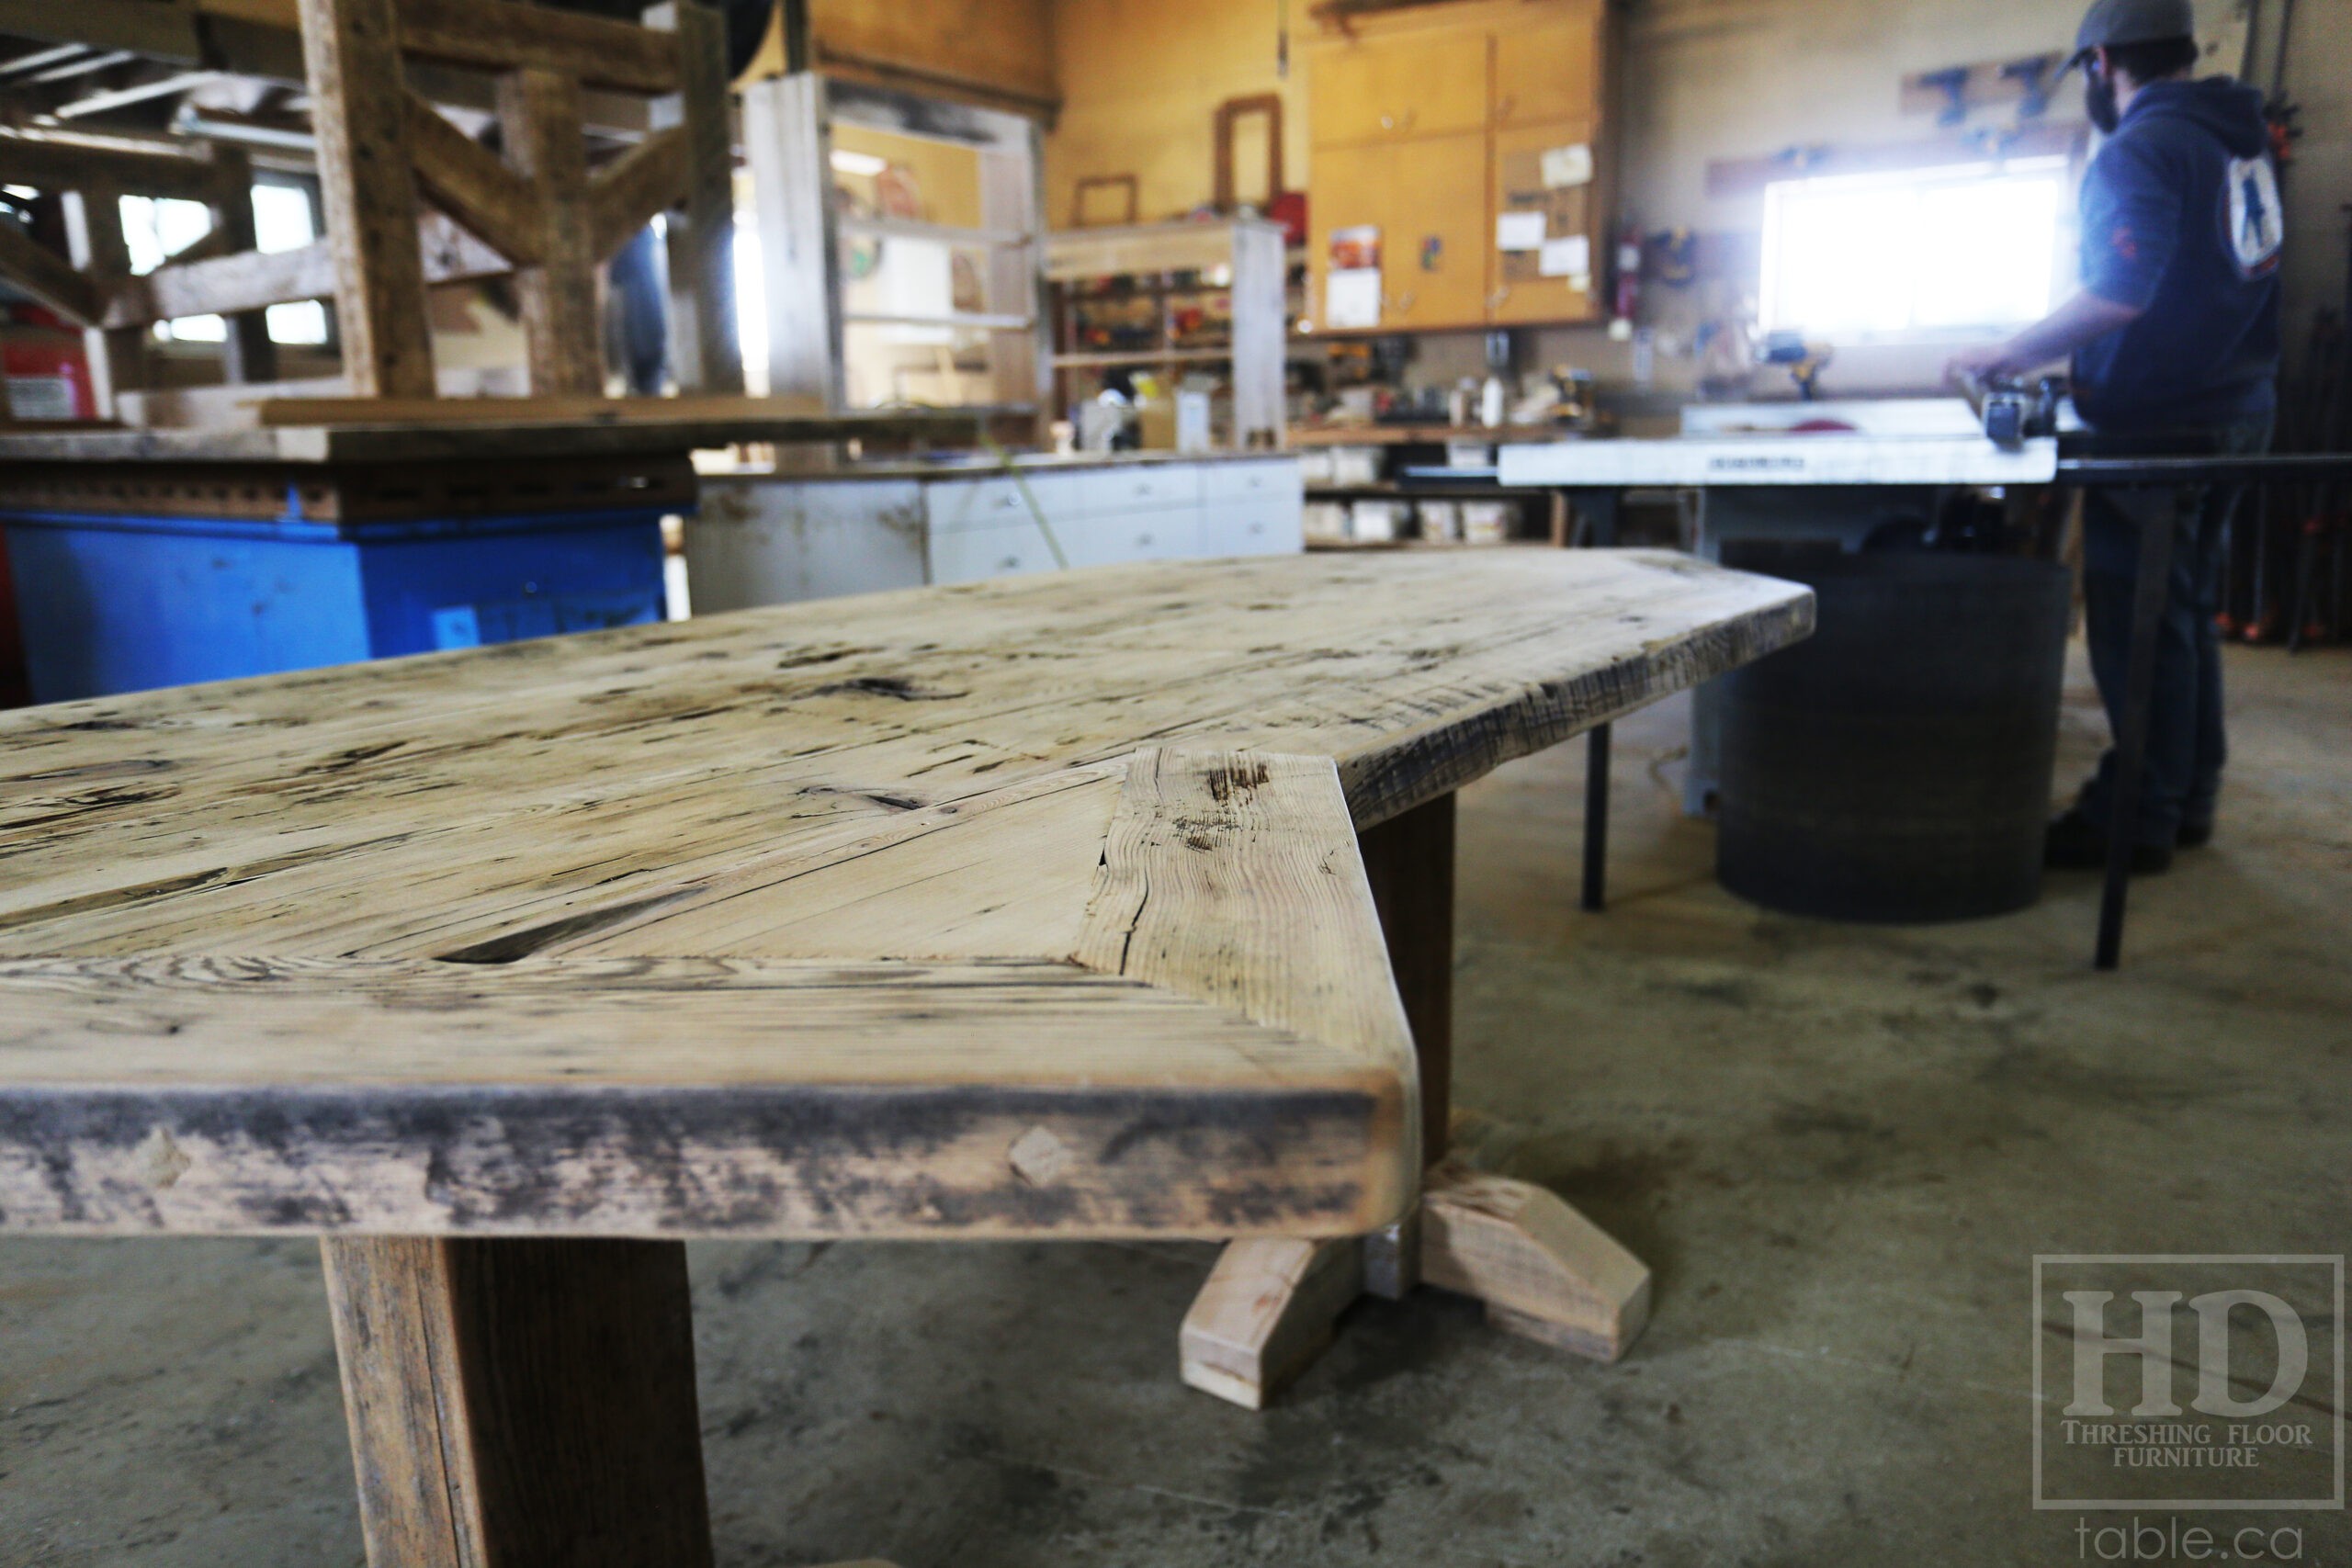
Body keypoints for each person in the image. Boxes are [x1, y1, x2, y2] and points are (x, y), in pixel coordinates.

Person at [1946, 0, 2281, 874]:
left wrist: (2009, 350)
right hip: (2239, 407)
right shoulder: (2234, 137)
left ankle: (2133, 818)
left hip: (2166, 426)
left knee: (2137, 626)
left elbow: (2121, 291)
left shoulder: (2139, 145)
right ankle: (2183, 797)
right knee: (2179, 616)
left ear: (2102, 64)